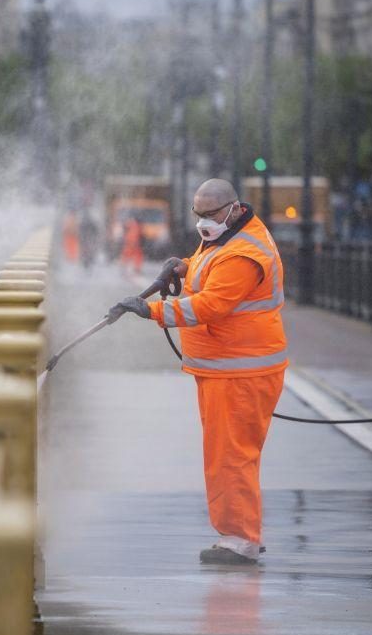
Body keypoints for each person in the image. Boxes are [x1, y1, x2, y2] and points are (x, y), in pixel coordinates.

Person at [108, 178, 287, 566]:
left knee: (231, 456)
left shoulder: (244, 253)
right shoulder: (227, 240)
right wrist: (186, 266)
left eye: (212, 214)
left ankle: (240, 539)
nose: (205, 222)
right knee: (228, 453)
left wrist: (152, 310)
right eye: (199, 215)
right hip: (227, 368)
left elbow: (211, 305)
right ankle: (238, 533)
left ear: (235, 209)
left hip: (241, 372)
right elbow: (210, 274)